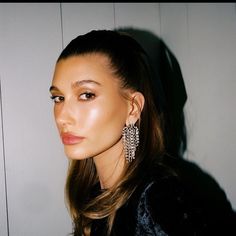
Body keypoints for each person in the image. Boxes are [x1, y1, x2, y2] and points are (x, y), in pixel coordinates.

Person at [49, 30, 235, 236]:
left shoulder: (162, 201)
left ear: (133, 108)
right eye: (58, 98)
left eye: (86, 95)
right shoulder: (92, 195)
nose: (62, 117)